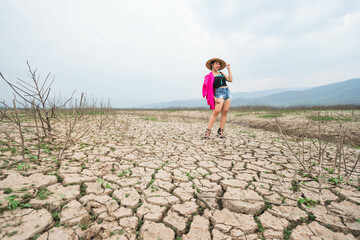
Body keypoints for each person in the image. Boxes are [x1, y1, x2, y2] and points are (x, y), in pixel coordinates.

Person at [202, 58, 233, 139]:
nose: (218, 65)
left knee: (225, 112)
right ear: (212, 65)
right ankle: (208, 131)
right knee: (216, 111)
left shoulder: (221, 73)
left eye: (219, 64)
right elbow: (208, 89)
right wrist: (214, 98)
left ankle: (221, 131)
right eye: (216, 63)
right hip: (219, 93)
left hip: (227, 92)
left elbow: (230, 79)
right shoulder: (209, 76)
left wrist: (228, 69)